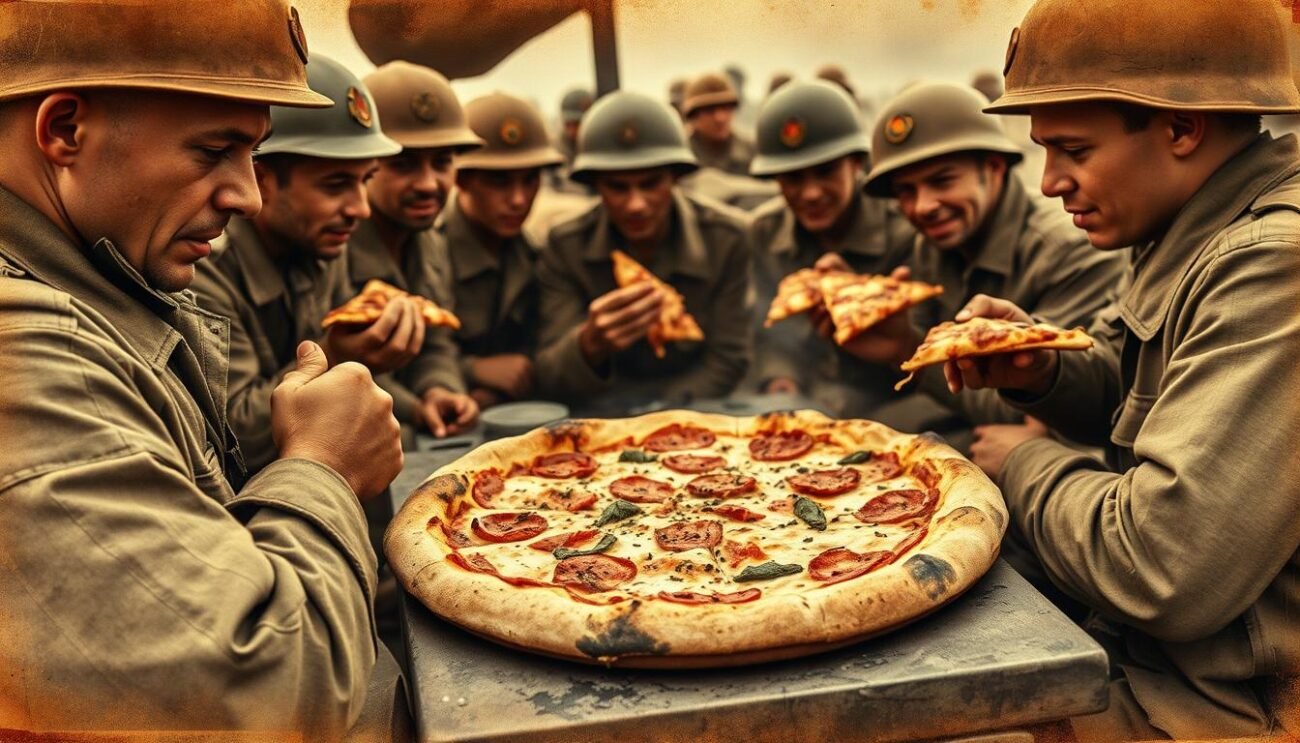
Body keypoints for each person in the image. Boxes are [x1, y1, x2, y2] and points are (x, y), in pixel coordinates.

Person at [0, 2, 405, 738]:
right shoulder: (24, 355)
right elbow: (279, 685)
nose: (246, 195)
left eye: (253, 154)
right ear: (64, 130)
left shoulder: (116, 278)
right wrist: (325, 466)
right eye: (215, 150)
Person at [954, 0, 1300, 739]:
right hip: (1151, 661)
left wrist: (1022, 463)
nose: (1049, 182)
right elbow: (1139, 389)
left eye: (1074, 150)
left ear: (1180, 128)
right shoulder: (1184, 226)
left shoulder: (1273, 264)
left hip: (1226, 706)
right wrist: (1040, 370)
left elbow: (1160, 565)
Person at [843, 81, 1124, 445]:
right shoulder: (931, 243)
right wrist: (875, 326)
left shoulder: (1072, 250)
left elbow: (1041, 406)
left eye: (942, 181)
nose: (923, 207)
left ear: (993, 168)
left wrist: (907, 348)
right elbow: (917, 365)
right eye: (905, 191)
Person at [193, 54, 419, 472]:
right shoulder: (204, 269)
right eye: (336, 185)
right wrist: (336, 355)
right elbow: (233, 435)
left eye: (365, 181)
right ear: (261, 180)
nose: (361, 209)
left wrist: (419, 407)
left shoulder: (321, 244)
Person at [535, 91, 752, 410]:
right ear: (596, 185)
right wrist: (588, 344)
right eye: (617, 187)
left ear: (675, 177)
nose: (635, 205)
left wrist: (660, 414)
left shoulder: (725, 239)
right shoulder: (565, 246)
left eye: (651, 184)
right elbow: (549, 372)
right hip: (604, 413)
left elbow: (730, 356)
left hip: (697, 409)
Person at [746, 80, 915, 416]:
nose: (811, 193)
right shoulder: (765, 231)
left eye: (826, 172)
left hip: (890, 400)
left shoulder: (906, 231)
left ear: (856, 163)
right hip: (804, 398)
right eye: (793, 178)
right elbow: (768, 331)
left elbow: (922, 353)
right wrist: (780, 378)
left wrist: (864, 302)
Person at [350, 60, 485, 437]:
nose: (428, 183)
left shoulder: (429, 241)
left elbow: (436, 340)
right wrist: (416, 407)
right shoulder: (333, 247)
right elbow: (336, 363)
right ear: (365, 165)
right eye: (404, 164)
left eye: (442, 162)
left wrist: (440, 388)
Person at [436, 92, 564, 409]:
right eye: (499, 182)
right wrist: (472, 370)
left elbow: (546, 342)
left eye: (530, 180)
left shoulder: (534, 254)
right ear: (462, 181)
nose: (518, 200)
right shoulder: (431, 253)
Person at [681, 71, 757, 176]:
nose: (720, 118)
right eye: (709, 110)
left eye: (725, 108)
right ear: (694, 116)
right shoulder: (681, 154)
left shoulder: (752, 150)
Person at [548, 86, 595, 195]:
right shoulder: (558, 146)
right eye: (568, 124)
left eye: (577, 124)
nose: (572, 131)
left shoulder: (601, 144)